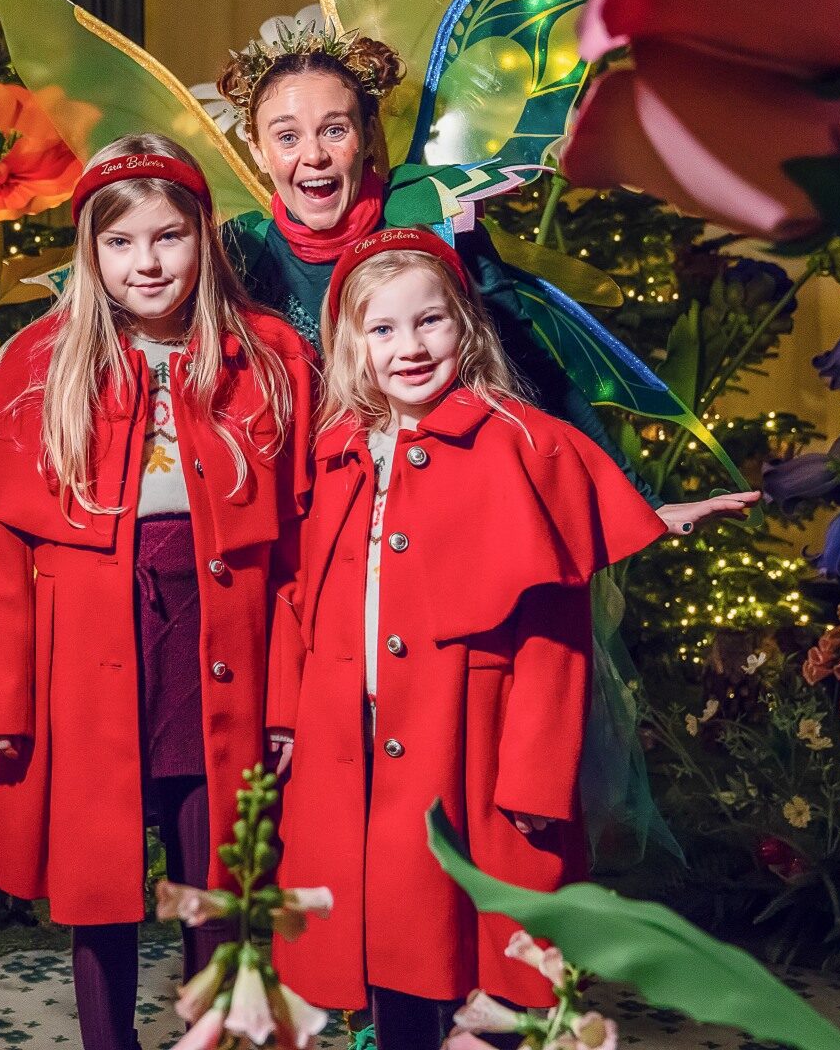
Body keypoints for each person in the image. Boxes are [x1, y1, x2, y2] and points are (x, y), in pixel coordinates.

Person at [0, 133, 317, 1050]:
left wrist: (292, 695)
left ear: (203, 238)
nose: (147, 263)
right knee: (94, 876)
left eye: (168, 237)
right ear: (90, 253)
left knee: (214, 863)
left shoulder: (264, 355)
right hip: (87, 647)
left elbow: (301, 546)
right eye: (121, 243)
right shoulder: (43, 362)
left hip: (221, 637)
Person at [268, 228, 666, 1049]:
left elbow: (557, 641)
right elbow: (301, 600)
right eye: (382, 329)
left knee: (469, 946)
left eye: (431, 322)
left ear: (468, 327)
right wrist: (288, 717)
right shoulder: (338, 450)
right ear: (351, 343)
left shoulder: (525, 445)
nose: (409, 348)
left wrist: (533, 778)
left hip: (474, 746)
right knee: (381, 944)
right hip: (353, 737)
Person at [215, 24, 755, 536]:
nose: (313, 155)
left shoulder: (432, 217)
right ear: (259, 153)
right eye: (287, 137)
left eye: (335, 129)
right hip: (315, 528)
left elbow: (530, 366)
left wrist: (640, 499)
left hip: (445, 509)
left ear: (366, 135)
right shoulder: (243, 253)